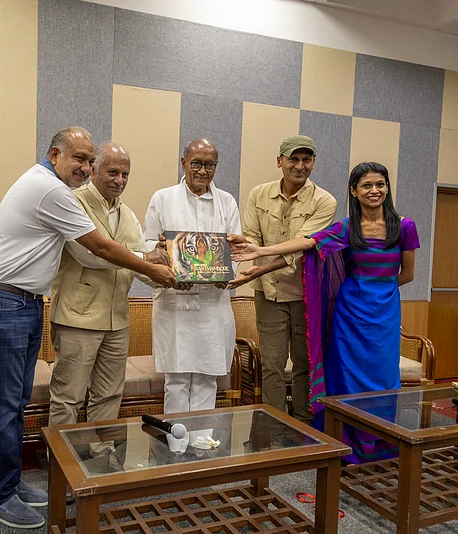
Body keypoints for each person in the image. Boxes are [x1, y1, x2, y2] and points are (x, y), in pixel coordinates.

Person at [0, 127, 176, 529]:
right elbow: (98, 250)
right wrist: (152, 266)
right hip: (5, 300)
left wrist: (163, 266)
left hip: (24, 301)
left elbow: (130, 249)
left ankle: (10, 484)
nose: (85, 168)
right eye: (80, 160)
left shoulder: (73, 194)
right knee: (9, 403)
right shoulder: (55, 192)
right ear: (55, 154)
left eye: (88, 160)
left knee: (17, 403)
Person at [230, 161, 419, 463]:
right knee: (346, 377)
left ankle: (380, 444)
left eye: (380, 184)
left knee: (384, 378)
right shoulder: (347, 227)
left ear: (387, 188)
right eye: (366, 185)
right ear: (354, 192)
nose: (374, 190)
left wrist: (378, 290)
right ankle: (345, 445)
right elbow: (309, 243)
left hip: (384, 316)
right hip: (350, 315)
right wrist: (262, 252)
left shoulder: (404, 227)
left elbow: (407, 275)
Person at [48, 142, 167, 453]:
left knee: (109, 394)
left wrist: (173, 278)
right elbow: (93, 255)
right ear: (94, 170)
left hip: (117, 319)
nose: (120, 180)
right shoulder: (73, 202)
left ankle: (100, 458)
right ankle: (64, 462)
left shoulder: (127, 214)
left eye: (126, 174)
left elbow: (143, 267)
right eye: (113, 172)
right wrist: (148, 261)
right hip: (78, 317)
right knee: (69, 396)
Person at [143, 138, 241, 441]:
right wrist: (167, 272)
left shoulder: (227, 202)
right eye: (196, 163)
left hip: (213, 305)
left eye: (209, 164)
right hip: (175, 303)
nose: (202, 170)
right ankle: (175, 445)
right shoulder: (162, 198)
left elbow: (236, 251)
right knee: (176, 380)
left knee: (206, 380)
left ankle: (201, 445)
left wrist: (228, 274)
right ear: (183, 162)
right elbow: (147, 247)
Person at [236, 135, 336, 426]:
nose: (299, 165)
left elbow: (304, 245)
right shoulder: (259, 194)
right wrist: (249, 259)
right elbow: (251, 236)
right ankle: (276, 428)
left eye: (306, 160)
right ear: (279, 161)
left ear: (314, 164)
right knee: (272, 365)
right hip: (268, 293)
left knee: (305, 365)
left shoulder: (324, 201)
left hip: (307, 295)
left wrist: (261, 260)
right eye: (293, 158)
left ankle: (305, 426)